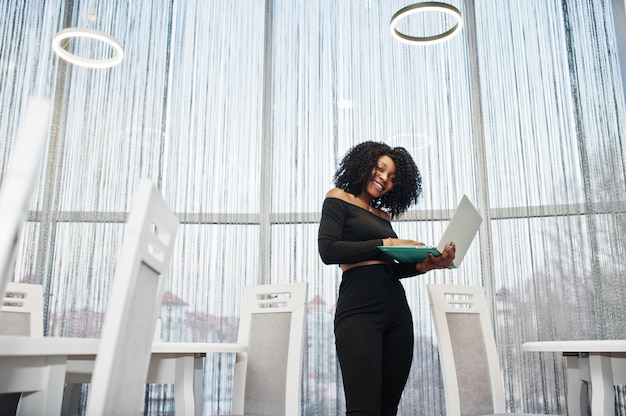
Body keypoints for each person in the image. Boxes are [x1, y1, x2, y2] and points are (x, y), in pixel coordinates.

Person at [318, 141, 456, 416]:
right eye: (380, 170)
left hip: (396, 312)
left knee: (387, 408)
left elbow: (387, 267)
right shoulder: (338, 198)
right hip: (359, 311)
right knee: (363, 409)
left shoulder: (383, 216)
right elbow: (329, 250)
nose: (384, 179)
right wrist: (387, 241)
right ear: (363, 164)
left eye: (392, 178)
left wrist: (428, 264)